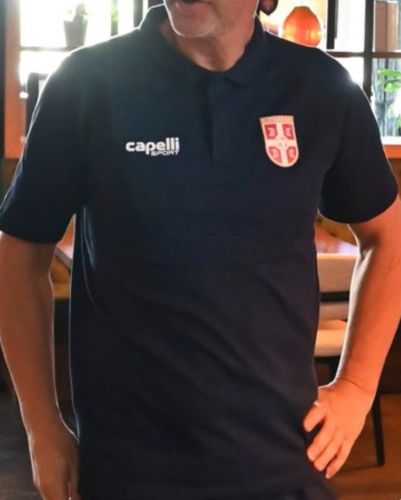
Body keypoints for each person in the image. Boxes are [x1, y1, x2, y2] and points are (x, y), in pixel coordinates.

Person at [0, 1, 401, 499]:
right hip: (127, 469)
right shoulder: (86, 84)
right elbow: (18, 255)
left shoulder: (321, 88)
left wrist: (357, 387)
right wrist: (41, 424)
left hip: (283, 462)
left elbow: (388, 237)